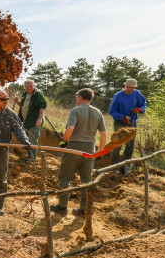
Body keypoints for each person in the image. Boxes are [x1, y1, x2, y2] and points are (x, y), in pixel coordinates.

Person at [51, 88, 107, 216]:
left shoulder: (75, 110)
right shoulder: (98, 112)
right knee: (87, 180)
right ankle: (83, 209)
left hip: (75, 147)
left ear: (80, 97)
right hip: (90, 149)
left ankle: (62, 206)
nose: (76, 99)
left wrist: (64, 140)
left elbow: (70, 128)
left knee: (65, 176)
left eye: (77, 97)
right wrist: (100, 152)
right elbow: (103, 134)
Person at [107, 78, 146, 174]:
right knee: (117, 144)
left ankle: (126, 166)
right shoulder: (118, 96)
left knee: (130, 145)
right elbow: (112, 111)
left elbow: (143, 105)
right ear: (125, 86)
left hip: (132, 122)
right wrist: (122, 117)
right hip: (119, 123)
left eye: (132, 87)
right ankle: (114, 168)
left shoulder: (137, 93)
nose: (130, 89)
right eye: (128, 87)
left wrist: (139, 110)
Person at [11, 79, 47, 164]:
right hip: (26, 121)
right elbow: (23, 106)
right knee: (26, 139)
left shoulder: (38, 94)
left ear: (34, 85)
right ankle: (29, 156)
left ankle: (32, 159)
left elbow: (42, 106)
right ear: (25, 87)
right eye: (27, 87)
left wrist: (40, 119)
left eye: (31, 86)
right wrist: (17, 102)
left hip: (35, 121)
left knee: (32, 140)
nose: (29, 88)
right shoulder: (25, 94)